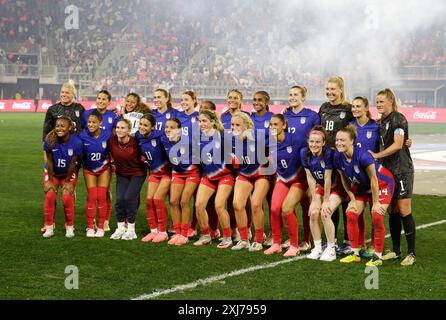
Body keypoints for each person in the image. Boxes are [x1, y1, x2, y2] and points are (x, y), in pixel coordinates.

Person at [334, 125, 395, 267]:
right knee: (350, 213)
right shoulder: (337, 156)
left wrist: (376, 202)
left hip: (382, 184)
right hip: (362, 187)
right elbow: (344, 179)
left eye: (342, 140)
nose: (338, 143)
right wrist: (352, 199)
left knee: (377, 215)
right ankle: (355, 254)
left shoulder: (363, 155)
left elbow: (374, 179)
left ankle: (378, 256)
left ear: (352, 141)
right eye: (337, 140)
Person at [369, 88, 416, 266]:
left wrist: (377, 155)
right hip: (387, 172)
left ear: (390, 101)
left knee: (404, 210)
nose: (379, 104)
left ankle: (411, 253)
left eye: (382, 101)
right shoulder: (382, 122)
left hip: (402, 170)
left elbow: (398, 145)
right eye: (377, 101)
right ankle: (396, 251)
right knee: (392, 210)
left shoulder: (398, 118)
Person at [41, 81, 85, 233]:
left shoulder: (79, 109)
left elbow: (86, 128)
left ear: (73, 94)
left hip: (74, 153)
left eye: (67, 92)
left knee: (68, 191)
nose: (64, 95)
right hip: (55, 152)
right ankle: (49, 223)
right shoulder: (53, 109)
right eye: (62, 92)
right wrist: (46, 158)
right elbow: (46, 133)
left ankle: (69, 223)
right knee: (51, 191)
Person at [318, 76, 354, 255]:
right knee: (332, 198)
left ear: (341, 90)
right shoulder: (323, 108)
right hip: (327, 160)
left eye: (333, 89)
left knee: (347, 199)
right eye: (327, 89)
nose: (330, 92)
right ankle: (332, 240)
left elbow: (356, 131)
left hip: (342, 161)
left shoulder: (348, 109)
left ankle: (349, 240)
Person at [283, 86, 320, 251]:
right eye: (290, 95)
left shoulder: (312, 116)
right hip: (288, 168)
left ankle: (307, 239)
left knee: (307, 204)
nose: (292, 97)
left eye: (295, 95)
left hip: (306, 168)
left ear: (303, 97)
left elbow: (318, 139)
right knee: (287, 206)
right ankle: (295, 238)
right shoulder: (284, 115)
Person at [264, 114, 304, 257]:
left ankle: (294, 245)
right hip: (282, 179)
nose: (273, 127)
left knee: (287, 209)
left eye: (276, 124)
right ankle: (276, 244)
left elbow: (308, 154)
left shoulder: (297, 140)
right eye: (271, 125)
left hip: (298, 181)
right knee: (274, 209)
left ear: (284, 126)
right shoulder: (269, 143)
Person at [82, 90, 121, 232]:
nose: (101, 101)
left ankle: (105, 221)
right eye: (99, 98)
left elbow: (118, 135)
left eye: (104, 99)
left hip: (106, 160)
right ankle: (91, 223)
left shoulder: (113, 116)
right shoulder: (86, 114)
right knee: (92, 194)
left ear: (109, 102)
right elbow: (81, 133)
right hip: (90, 160)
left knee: (106, 192)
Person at [193, 109, 234, 248]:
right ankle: (206, 235)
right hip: (208, 176)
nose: (201, 124)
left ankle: (227, 237)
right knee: (199, 205)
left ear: (212, 122)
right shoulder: (197, 137)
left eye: (204, 121)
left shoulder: (223, 137)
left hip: (225, 176)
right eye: (200, 121)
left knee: (219, 205)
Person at [231, 112, 271, 251]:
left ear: (247, 126)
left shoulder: (258, 136)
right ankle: (243, 239)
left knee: (255, 204)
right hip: (245, 174)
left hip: (261, 173)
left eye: (237, 125)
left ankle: (259, 239)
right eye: (232, 125)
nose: (234, 127)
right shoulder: (231, 140)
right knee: (237, 204)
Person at [42, 116, 83, 238]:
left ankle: (70, 227)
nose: (59, 128)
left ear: (70, 127)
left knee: (66, 197)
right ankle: (49, 227)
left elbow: (72, 164)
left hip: (68, 173)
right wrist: (49, 180)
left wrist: (68, 182)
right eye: (57, 126)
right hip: (53, 173)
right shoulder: (50, 139)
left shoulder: (77, 142)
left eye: (62, 126)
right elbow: (49, 161)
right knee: (50, 195)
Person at [161, 118, 201, 245]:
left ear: (179, 130)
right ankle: (177, 232)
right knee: (173, 201)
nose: (168, 130)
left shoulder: (188, 141)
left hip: (192, 173)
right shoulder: (164, 140)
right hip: (177, 173)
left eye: (171, 127)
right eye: (166, 127)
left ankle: (184, 234)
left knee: (184, 201)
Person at [301, 126, 338, 261]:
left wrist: (326, 200)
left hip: (336, 187)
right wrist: (315, 200)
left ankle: (331, 248)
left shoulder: (328, 153)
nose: (314, 145)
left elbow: (328, 178)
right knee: (313, 213)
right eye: (311, 141)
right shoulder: (304, 153)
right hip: (320, 186)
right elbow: (310, 178)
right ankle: (317, 247)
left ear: (323, 143)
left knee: (325, 212)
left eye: (317, 142)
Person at [350, 96, 380, 257]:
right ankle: (360, 242)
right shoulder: (350, 127)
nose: (355, 109)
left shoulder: (376, 126)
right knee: (358, 212)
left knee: (374, 211)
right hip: (358, 178)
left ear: (366, 107)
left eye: (358, 106)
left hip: (374, 176)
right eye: (353, 106)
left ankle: (375, 245)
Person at [108, 119, 147, 240]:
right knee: (119, 200)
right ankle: (120, 228)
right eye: (118, 127)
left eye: (123, 128)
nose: (119, 130)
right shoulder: (112, 140)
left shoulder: (136, 142)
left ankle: (131, 230)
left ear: (129, 130)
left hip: (137, 173)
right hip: (122, 174)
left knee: (129, 198)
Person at [136, 114, 171, 243]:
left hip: (167, 173)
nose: (142, 127)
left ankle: (163, 232)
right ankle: (153, 231)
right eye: (141, 124)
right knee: (149, 200)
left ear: (152, 127)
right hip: (154, 173)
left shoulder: (160, 136)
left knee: (157, 199)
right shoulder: (138, 137)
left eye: (146, 125)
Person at [79, 110, 112, 237]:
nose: (91, 125)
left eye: (94, 122)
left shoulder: (108, 135)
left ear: (100, 123)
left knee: (102, 196)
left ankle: (101, 227)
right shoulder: (82, 136)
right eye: (89, 122)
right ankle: (89, 227)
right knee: (92, 196)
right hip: (89, 170)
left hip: (104, 169)